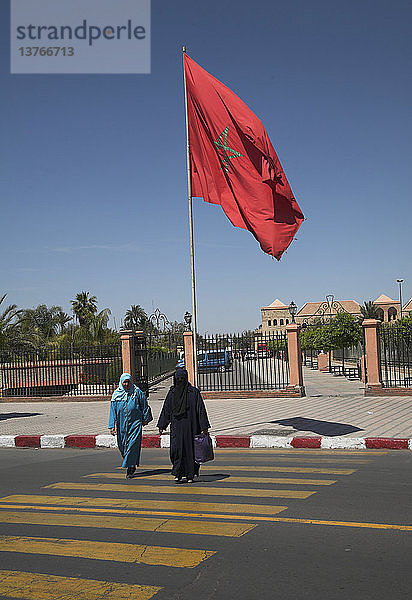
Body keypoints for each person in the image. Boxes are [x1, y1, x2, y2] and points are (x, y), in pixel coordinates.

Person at [157, 367, 210, 483]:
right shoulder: (172, 393)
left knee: (191, 451)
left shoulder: (194, 392)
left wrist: (204, 427)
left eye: (182, 378)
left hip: (192, 427)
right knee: (176, 451)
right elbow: (166, 409)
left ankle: (190, 475)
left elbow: (200, 410)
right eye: (178, 378)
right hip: (177, 428)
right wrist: (162, 425)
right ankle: (178, 473)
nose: (180, 380)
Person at [108, 372, 152, 479]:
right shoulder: (116, 395)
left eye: (128, 382)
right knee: (122, 445)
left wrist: (145, 419)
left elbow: (144, 405)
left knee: (133, 445)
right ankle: (130, 462)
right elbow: (112, 411)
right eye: (124, 382)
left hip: (135, 423)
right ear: (121, 383)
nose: (126, 384)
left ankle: (130, 467)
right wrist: (111, 425)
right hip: (121, 424)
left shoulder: (137, 392)